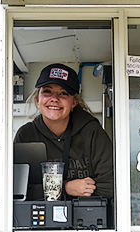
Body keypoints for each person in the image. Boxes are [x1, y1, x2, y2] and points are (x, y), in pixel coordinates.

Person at [14, 63, 114, 200]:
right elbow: (17, 190)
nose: (54, 98)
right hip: (37, 219)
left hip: (86, 218)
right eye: (47, 91)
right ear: (38, 99)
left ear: (74, 102)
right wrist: (65, 188)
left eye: (63, 93)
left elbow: (110, 186)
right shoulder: (26, 135)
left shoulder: (91, 131)